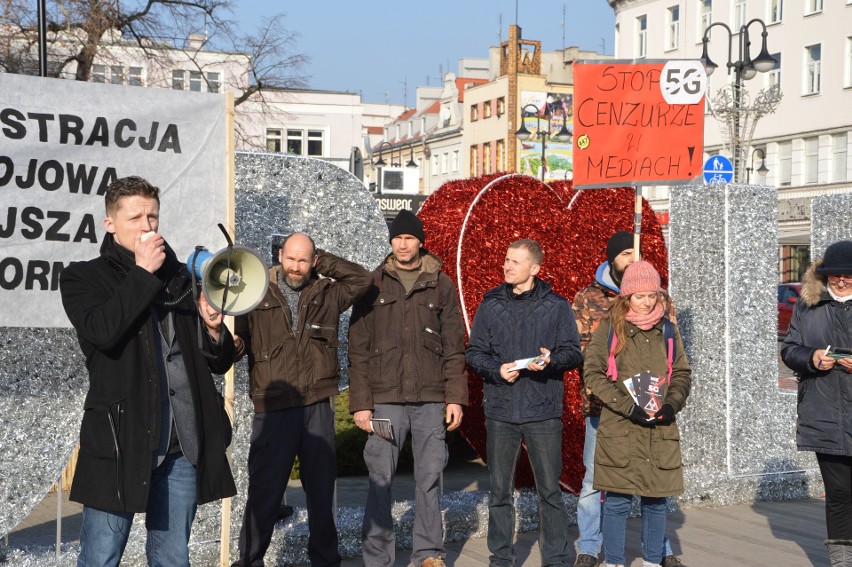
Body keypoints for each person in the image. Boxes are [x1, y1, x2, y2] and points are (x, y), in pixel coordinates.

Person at [59, 176, 237, 567]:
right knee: (101, 557)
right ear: (110, 224)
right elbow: (103, 333)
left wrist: (211, 327)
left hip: (180, 445)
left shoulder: (178, 278)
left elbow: (217, 362)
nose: (147, 226)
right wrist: (142, 273)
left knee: (173, 557)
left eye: (153, 216)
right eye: (135, 217)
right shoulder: (82, 277)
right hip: (121, 442)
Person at [232, 232, 372, 567]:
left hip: (316, 407)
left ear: (313, 261)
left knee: (322, 495)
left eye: (303, 260)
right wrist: (231, 344)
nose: (296, 267)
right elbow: (234, 342)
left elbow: (363, 278)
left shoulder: (327, 292)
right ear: (279, 255)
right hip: (273, 408)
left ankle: (325, 560)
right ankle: (249, 561)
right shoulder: (254, 290)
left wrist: (318, 257)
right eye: (291, 258)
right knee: (264, 494)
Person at [348, 210, 468, 567]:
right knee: (380, 477)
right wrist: (361, 404)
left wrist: (455, 398)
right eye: (397, 238)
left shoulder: (441, 284)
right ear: (391, 242)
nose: (402, 243)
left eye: (409, 238)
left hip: (431, 399)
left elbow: (454, 346)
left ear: (420, 242)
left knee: (429, 477)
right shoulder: (372, 284)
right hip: (385, 401)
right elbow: (358, 347)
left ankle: (428, 553)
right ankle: (377, 558)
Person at [466, 239, 583, 567]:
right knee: (500, 493)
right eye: (506, 259)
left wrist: (551, 361)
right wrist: (496, 370)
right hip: (501, 411)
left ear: (535, 269)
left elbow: (573, 351)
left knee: (550, 492)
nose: (507, 266)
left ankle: (557, 560)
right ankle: (500, 560)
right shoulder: (490, 305)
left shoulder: (557, 305)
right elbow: (474, 353)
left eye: (516, 262)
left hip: (543, 412)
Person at [572, 232, 681, 567]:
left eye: (652, 295)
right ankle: (591, 548)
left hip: (654, 417)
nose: (646, 301)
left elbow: (676, 365)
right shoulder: (591, 301)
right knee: (601, 483)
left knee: (654, 491)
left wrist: (669, 403)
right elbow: (586, 359)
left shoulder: (664, 316)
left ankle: (658, 552)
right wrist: (622, 400)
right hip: (607, 411)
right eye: (624, 253)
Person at [781, 240, 852, 567]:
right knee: (838, 495)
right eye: (835, 275)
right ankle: (841, 562)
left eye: (848, 275)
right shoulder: (807, 305)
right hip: (824, 413)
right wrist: (811, 357)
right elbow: (789, 348)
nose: (840, 280)